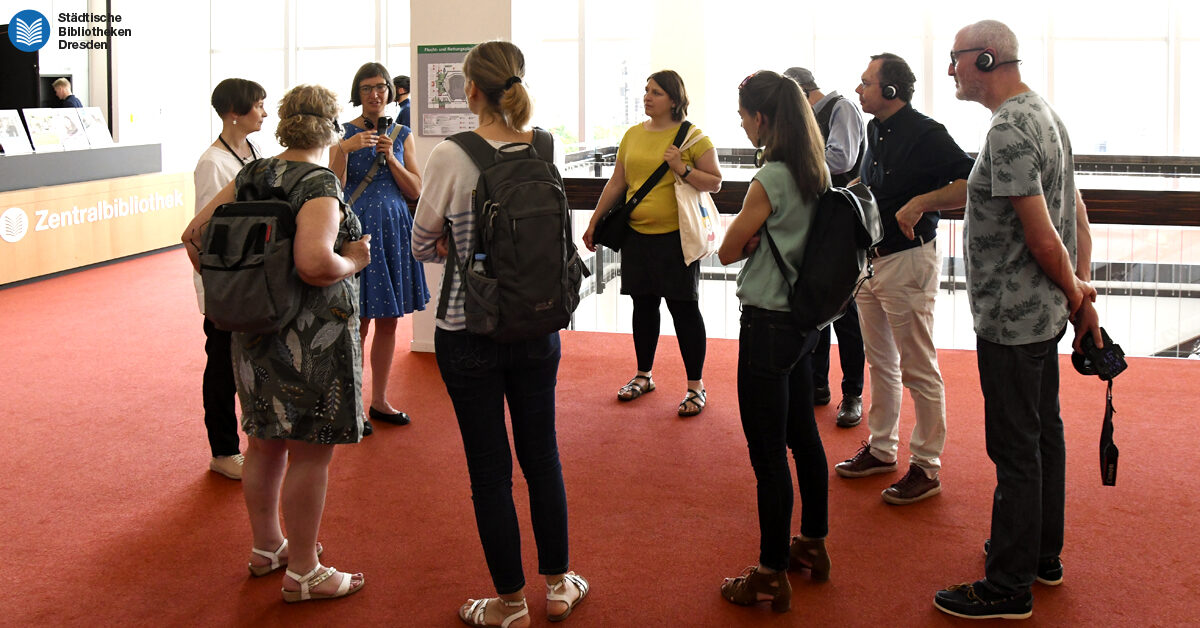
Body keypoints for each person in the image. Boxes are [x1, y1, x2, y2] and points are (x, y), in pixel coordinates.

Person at [411, 40, 588, 628]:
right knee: (543, 455)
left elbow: (420, 243)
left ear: (471, 90)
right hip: (539, 323)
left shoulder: (449, 154)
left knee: (489, 468)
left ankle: (510, 604)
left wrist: (451, 245)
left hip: (470, 330)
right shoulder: (542, 145)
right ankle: (560, 585)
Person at [933, 20, 1101, 620]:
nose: (949, 69)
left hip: (1013, 319)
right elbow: (1074, 215)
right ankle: (1040, 557)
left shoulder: (1007, 130)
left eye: (955, 59)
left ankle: (1008, 585)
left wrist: (1078, 293)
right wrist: (1080, 296)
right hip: (1044, 314)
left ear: (984, 59)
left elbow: (1040, 236)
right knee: (1042, 435)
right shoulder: (1044, 116)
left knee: (1016, 448)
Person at [181, 84, 370, 603]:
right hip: (313, 336)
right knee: (311, 452)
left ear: (284, 121)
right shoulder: (317, 184)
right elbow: (314, 264)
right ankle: (305, 571)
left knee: (264, 443)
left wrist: (234, 292)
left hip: (254, 331)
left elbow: (193, 236)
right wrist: (354, 260)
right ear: (332, 127)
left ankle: (268, 547)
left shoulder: (251, 175)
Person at [832, 53, 974, 505]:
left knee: (917, 367)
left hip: (910, 261)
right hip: (872, 263)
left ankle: (927, 467)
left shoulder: (927, 133)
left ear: (890, 91)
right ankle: (881, 448)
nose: (858, 90)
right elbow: (876, 183)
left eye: (866, 82)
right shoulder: (874, 130)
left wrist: (922, 203)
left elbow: (970, 183)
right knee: (881, 362)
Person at [716, 70, 832, 613]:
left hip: (767, 324)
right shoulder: (816, 171)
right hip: (808, 324)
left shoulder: (771, 177)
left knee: (767, 456)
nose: (741, 123)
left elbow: (728, 249)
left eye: (743, 114)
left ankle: (769, 572)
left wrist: (751, 235)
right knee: (803, 437)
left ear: (763, 118)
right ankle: (812, 541)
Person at [582, 70, 722, 417]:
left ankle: (695, 386)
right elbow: (618, 182)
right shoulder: (632, 135)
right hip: (637, 237)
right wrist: (595, 220)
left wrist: (682, 168)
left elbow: (715, 182)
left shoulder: (693, 138)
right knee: (643, 308)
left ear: (674, 99)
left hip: (677, 240)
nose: (647, 97)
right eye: (646, 91)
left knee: (684, 309)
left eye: (656, 92)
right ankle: (644, 375)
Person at [330, 62, 429, 428]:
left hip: (393, 231)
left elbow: (416, 190)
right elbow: (332, 187)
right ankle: (352, 406)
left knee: (388, 321)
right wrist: (345, 148)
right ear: (358, 92)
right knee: (357, 322)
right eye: (368, 87)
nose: (376, 94)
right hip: (358, 233)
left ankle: (380, 400)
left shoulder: (402, 134)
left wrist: (391, 158)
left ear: (390, 92)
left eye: (382, 87)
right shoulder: (341, 135)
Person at [783, 66, 867, 427]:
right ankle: (818, 385)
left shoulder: (840, 108)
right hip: (814, 221)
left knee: (845, 312)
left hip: (840, 223)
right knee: (815, 305)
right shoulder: (806, 118)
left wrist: (789, 166)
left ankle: (853, 393)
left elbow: (841, 159)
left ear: (801, 92)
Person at [191, 78, 267, 480]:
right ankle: (222, 449)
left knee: (247, 361)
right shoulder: (212, 162)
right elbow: (204, 232)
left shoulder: (253, 150)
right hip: (225, 283)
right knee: (221, 365)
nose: (264, 113)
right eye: (257, 106)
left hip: (250, 276)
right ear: (234, 113)